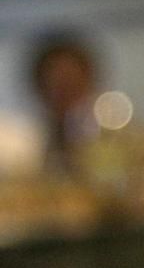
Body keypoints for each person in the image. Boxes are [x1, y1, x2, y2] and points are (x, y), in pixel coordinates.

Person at [27, 31, 103, 176]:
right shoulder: (25, 140)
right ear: (40, 87)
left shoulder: (114, 140)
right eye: (59, 86)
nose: (66, 94)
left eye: (73, 85)